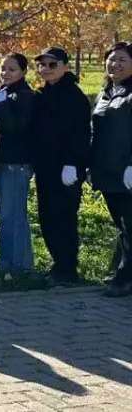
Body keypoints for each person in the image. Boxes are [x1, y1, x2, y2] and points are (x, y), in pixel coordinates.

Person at [32, 47, 90, 285]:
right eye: (41, 65)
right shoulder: (42, 94)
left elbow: (80, 133)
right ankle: (58, 263)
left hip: (66, 168)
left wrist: (73, 163)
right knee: (47, 217)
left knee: (64, 217)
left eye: (52, 65)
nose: (45, 69)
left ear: (65, 66)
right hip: (45, 167)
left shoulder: (74, 96)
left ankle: (68, 269)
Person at [90, 42, 132, 297]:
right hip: (107, 171)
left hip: (126, 171)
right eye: (111, 59)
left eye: (122, 60)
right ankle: (121, 270)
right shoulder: (106, 91)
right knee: (122, 225)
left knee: (130, 227)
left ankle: (125, 279)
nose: (115, 64)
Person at [0, 53, 36, 275]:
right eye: (2, 68)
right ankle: (6, 261)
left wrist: (0, 107)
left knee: (14, 216)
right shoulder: (2, 93)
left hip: (16, 164)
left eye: (11, 69)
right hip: (1, 162)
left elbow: (15, 128)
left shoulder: (26, 96)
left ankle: (20, 264)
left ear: (23, 72)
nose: (5, 73)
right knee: (4, 216)